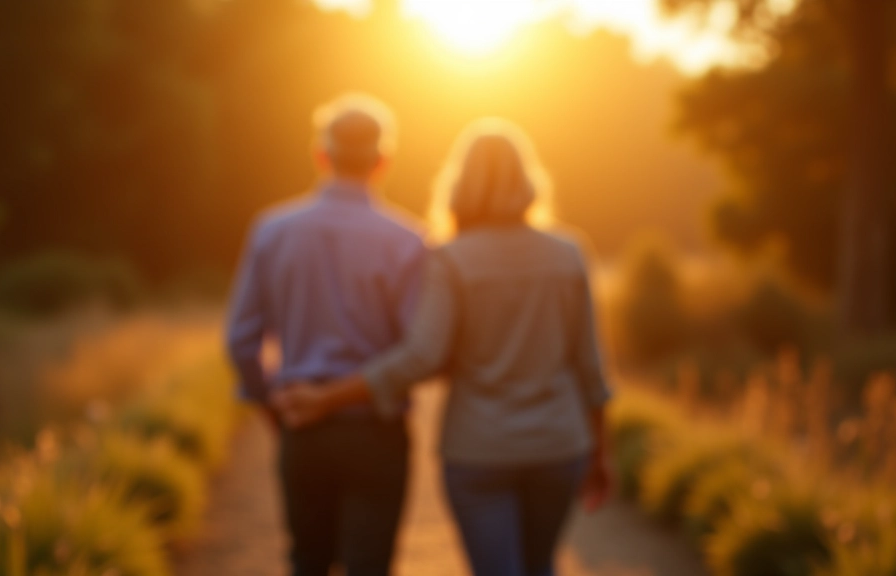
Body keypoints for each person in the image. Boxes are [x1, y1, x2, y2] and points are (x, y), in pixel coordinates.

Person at [273, 118, 613, 576]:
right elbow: (590, 367)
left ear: (460, 183)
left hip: (478, 450)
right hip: (558, 446)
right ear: (529, 180)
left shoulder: (450, 259)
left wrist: (327, 398)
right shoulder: (569, 253)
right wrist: (600, 452)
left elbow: (423, 356)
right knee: (540, 566)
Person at [224, 93, 426, 576]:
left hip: (303, 424)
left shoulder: (272, 230)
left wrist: (272, 400)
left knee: (307, 562)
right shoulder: (408, 239)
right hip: (376, 429)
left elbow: (240, 339)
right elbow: (420, 348)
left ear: (321, 156)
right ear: (383, 162)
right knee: (370, 567)